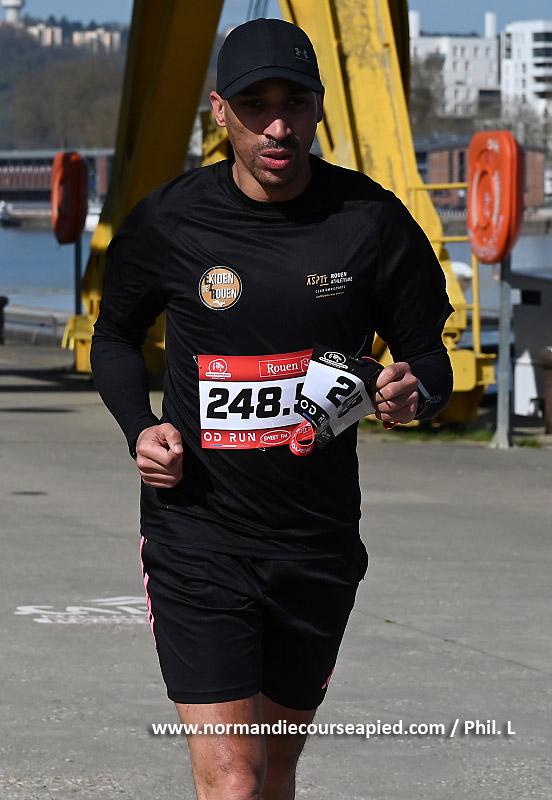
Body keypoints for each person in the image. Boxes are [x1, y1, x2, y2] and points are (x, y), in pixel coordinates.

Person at [91, 17, 453, 800]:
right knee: (235, 779)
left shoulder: (370, 221)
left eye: (296, 103)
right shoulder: (170, 220)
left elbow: (430, 359)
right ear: (220, 110)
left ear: (319, 108)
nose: (278, 126)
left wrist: (413, 392)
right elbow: (113, 337)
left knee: (276, 770)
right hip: (199, 537)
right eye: (256, 105)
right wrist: (140, 429)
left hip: (316, 543)